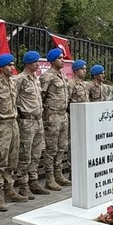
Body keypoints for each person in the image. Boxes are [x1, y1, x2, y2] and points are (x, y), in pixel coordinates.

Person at [0, 53, 27, 210]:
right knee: (0, 161)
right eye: (9, 65)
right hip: (2, 126)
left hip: (13, 124)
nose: (12, 67)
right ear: (1, 67)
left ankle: (9, 190)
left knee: (12, 160)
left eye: (13, 64)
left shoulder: (12, 83)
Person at [15, 51, 49, 199]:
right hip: (26, 121)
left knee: (36, 154)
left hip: (38, 120)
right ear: (28, 63)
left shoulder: (36, 79)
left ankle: (34, 181)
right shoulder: (20, 79)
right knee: (25, 155)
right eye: (35, 62)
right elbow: (13, 99)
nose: (37, 64)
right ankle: (23, 185)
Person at [40, 48, 71, 191]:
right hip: (52, 116)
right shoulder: (47, 77)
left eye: (63, 57)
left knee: (61, 146)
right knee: (51, 148)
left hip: (63, 115)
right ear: (53, 61)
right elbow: (41, 97)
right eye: (59, 58)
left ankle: (58, 174)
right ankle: (50, 178)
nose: (62, 60)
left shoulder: (62, 76)